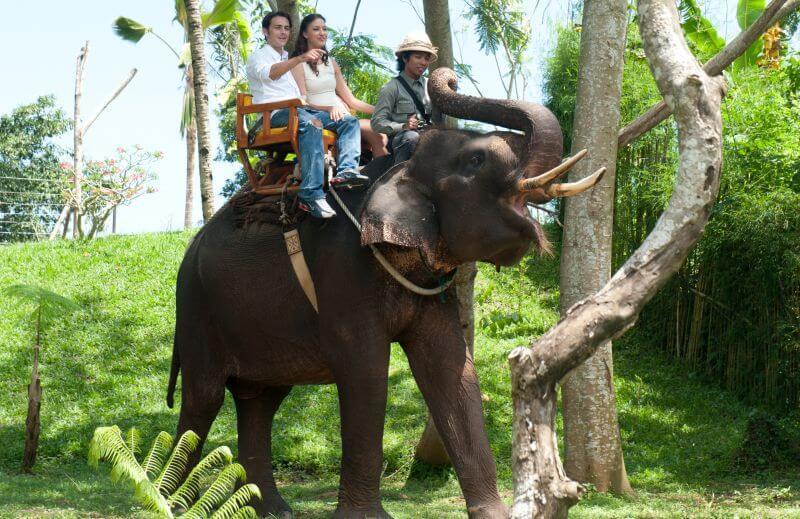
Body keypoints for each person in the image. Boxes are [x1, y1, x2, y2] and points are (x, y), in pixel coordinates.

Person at [245, 11, 368, 219]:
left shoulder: (286, 57)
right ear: (265, 32)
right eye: (277, 27)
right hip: (273, 115)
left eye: (286, 28)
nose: (283, 32)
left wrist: (332, 105)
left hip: (299, 110)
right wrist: (300, 58)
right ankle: (310, 194)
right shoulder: (259, 57)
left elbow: (303, 98)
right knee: (312, 124)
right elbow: (272, 73)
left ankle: (347, 172)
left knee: (348, 121)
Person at [290, 13, 388, 161]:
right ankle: (379, 176)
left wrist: (384, 111)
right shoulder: (297, 63)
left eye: (324, 28)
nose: (322, 33)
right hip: (319, 117)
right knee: (375, 133)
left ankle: (381, 173)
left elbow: (352, 101)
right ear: (305, 34)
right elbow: (303, 103)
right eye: (316, 29)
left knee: (381, 133)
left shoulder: (331, 63)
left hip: (344, 118)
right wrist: (330, 108)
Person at [371, 32, 438, 165]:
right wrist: (403, 126)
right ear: (405, 58)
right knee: (412, 137)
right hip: (401, 139)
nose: (423, 62)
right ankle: (399, 177)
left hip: (428, 135)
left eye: (426, 58)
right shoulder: (391, 87)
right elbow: (377, 122)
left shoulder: (431, 86)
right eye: (418, 57)